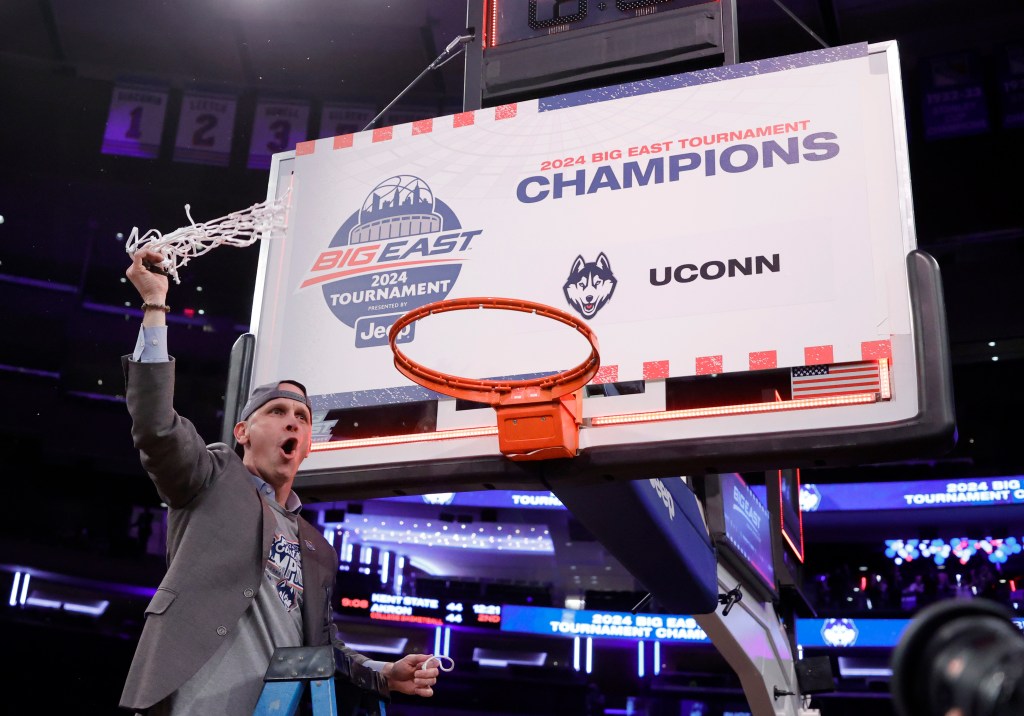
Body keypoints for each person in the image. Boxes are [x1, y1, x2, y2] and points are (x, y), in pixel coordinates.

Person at [121, 248, 442, 715]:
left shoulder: (317, 546)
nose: (292, 422)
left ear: (309, 444)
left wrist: (382, 674)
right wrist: (154, 306)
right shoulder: (211, 477)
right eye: (276, 412)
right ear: (242, 432)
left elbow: (320, 644)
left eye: (302, 418)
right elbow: (156, 427)